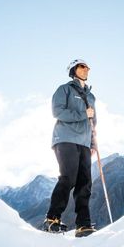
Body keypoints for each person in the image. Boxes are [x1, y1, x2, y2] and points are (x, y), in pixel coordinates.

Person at [44, 58, 97, 237]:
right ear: (73, 70)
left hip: (83, 142)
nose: (86, 69)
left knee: (85, 183)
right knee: (68, 178)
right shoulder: (64, 89)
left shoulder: (91, 96)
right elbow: (57, 112)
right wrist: (83, 113)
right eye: (82, 66)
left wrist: (93, 143)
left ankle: (83, 225)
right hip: (65, 138)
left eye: (87, 67)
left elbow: (92, 121)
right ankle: (52, 219)